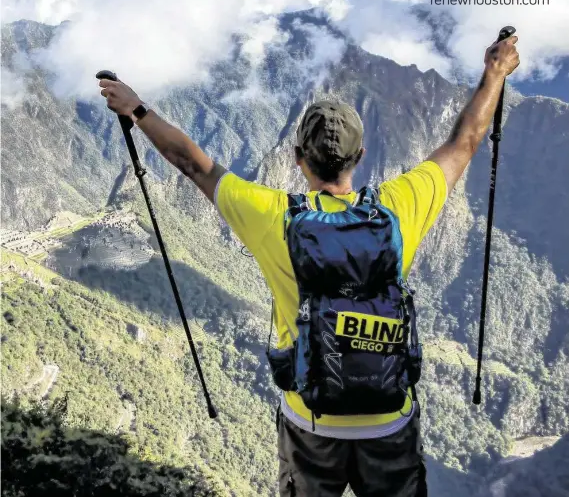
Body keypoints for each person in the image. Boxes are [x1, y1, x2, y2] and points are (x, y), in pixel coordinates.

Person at [100, 34, 519, 497]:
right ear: (360, 157)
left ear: (297, 159)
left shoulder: (272, 216)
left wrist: (137, 110)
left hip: (311, 420)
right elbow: (465, 140)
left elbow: (193, 164)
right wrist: (495, 72)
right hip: (387, 421)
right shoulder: (400, 209)